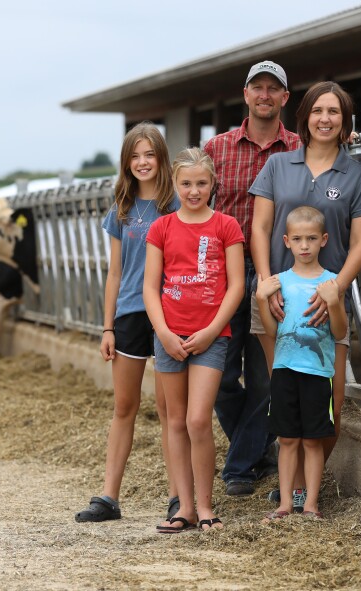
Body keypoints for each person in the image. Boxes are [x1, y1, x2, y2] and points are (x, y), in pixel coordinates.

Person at [250, 81, 361, 512]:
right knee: (283, 394)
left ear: (346, 121)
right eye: (317, 111)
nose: (325, 119)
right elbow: (258, 227)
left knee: (333, 400)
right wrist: (265, 281)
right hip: (279, 300)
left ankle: (307, 492)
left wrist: (336, 290)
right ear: (304, 117)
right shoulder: (277, 165)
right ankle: (289, 491)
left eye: (334, 112)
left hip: (326, 305)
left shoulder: (357, 175)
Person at [203, 60, 301, 497]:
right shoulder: (216, 148)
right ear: (245, 95)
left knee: (263, 376)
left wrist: (347, 138)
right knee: (220, 372)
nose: (264, 95)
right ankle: (258, 448)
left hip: (273, 271)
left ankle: (239, 468)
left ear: (285, 97)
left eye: (272, 89)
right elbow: (192, 196)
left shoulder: (300, 148)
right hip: (222, 271)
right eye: (256, 88)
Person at [75, 122, 180, 523]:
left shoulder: (174, 205)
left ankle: (177, 497)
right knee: (125, 406)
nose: (142, 162)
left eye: (149, 155)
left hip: (170, 313)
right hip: (131, 314)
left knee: (171, 411)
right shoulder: (120, 209)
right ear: (126, 162)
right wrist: (107, 326)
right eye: (134, 156)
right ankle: (108, 497)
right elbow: (115, 273)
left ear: (161, 158)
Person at [144, 147, 245, 532]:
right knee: (175, 422)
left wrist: (210, 331)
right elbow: (151, 288)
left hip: (211, 336)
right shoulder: (162, 228)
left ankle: (206, 506)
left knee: (199, 419)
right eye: (186, 183)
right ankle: (183, 507)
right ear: (174, 184)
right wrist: (164, 333)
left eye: (201, 183)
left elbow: (236, 286)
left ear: (213, 183)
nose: (194, 190)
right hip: (170, 336)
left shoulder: (226, 226)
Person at [256, 206, 347, 520]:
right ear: (286, 241)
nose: (304, 245)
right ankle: (284, 504)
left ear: (324, 240)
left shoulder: (332, 283)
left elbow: (340, 332)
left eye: (311, 238)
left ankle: (310, 504)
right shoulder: (278, 283)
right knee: (287, 439)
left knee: (312, 440)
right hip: (284, 371)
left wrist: (334, 303)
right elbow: (273, 332)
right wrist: (260, 300)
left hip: (318, 373)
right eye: (297, 239)